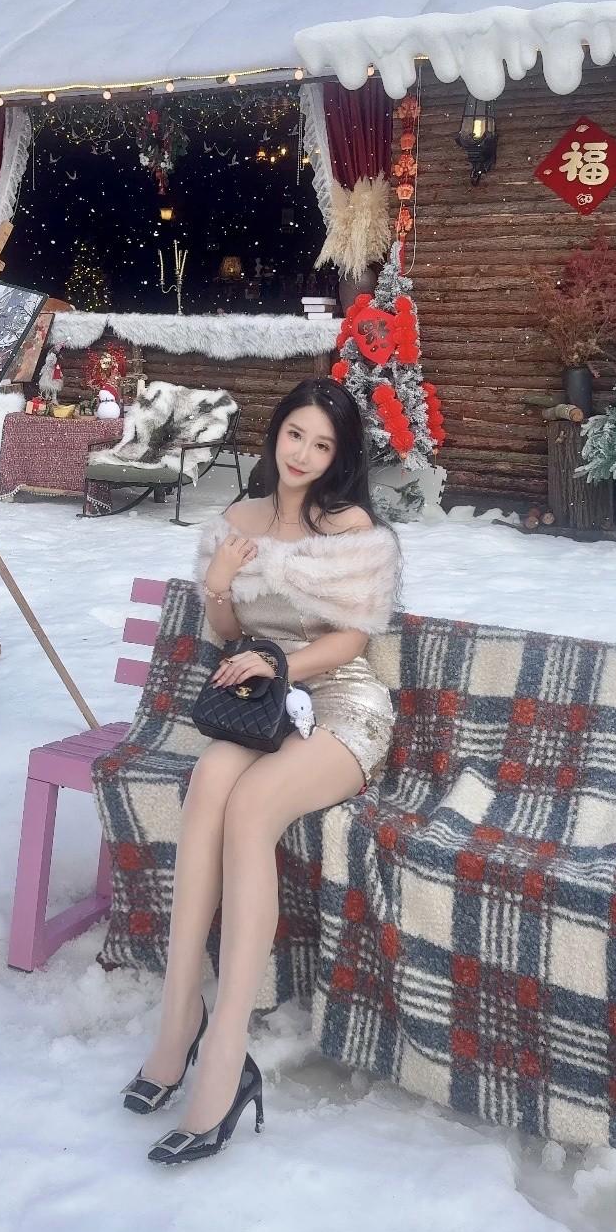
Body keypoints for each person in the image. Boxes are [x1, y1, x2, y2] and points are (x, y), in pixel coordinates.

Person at [121, 376, 402, 1165]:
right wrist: (220, 584)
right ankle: (180, 1016)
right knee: (210, 780)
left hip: (342, 708)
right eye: (295, 435)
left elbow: (350, 643)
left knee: (250, 808)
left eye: (323, 444)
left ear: (340, 456)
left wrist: (276, 660)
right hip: (265, 707)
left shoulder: (350, 529)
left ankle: (225, 1051)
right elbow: (225, 632)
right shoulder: (238, 521)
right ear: (275, 433)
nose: (304, 454)